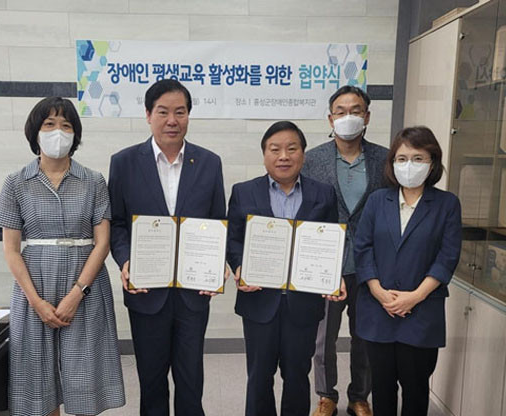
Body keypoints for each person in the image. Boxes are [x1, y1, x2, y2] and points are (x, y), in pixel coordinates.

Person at [0, 97, 125, 416]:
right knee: (39, 378)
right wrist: (36, 301)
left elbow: (102, 243)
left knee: (86, 369)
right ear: (35, 132)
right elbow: (11, 249)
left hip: (86, 285)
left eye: (66, 126)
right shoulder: (16, 182)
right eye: (49, 124)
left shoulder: (93, 181)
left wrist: (77, 293)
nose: (58, 132)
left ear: (75, 134)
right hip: (34, 287)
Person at [108, 79, 226, 416]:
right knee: (151, 381)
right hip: (146, 291)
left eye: (180, 112)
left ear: (189, 115)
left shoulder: (209, 162)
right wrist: (125, 260)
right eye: (163, 112)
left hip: (193, 292)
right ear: (148, 115)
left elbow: (218, 221)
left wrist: (216, 263)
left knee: (191, 380)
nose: (172, 120)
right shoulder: (124, 162)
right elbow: (117, 222)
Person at [227, 121, 346, 416]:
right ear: (264, 155)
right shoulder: (244, 192)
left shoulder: (324, 194)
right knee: (259, 376)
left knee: (297, 376)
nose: (283, 156)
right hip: (259, 301)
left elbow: (331, 241)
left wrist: (333, 274)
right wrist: (239, 266)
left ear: (303, 154)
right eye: (275, 149)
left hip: (303, 304)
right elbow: (233, 239)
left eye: (291, 149)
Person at [354, 126, 462, 416]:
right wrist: (378, 291)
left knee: (415, 388)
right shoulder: (377, 201)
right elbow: (362, 248)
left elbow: (447, 256)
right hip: (379, 310)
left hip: (421, 312)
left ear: (432, 162)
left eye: (418, 158)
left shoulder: (447, 204)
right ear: (392, 163)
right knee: (382, 387)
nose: (409, 165)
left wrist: (414, 296)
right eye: (401, 159)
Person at [302, 86, 388, 416]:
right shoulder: (312, 160)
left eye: (355, 110)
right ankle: (326, 395)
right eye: (341, 111)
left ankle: (359, 396)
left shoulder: (385, 159)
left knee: (365, 335)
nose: (348, 117)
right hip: (327, 263)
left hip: (371, 264)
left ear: (367, 117)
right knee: (323, 336)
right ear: (330, 118)